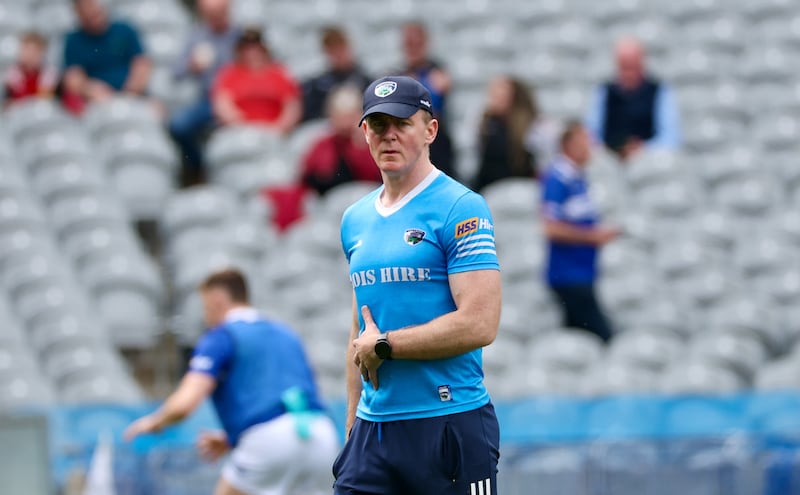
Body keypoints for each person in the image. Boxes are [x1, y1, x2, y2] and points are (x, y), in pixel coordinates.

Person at [334, 76, 501, 495]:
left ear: (430, 130)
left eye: (402, 122)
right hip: (373, 434)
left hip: (448, 424)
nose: (388, 134)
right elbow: (360, 330)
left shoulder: (461, 207)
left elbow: (480, 324)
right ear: (365, 133)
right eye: (377, 124)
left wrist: (388, 346)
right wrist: (353, 425)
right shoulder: (354, 219)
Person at [125, 269, 339, 495]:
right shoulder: (286, 334)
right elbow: (284, 400)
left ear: (217, 300)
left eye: (205, 308)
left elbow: (184, 404)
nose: (206, 316)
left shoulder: (222, 336)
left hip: (270, 441)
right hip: (320, 437)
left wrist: (155, 422)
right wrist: (232, 438)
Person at [541, 121, 621, 343]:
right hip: (570, 275)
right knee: (602, 336)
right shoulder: (558, 178)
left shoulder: (578, 177)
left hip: (582, 273)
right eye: (585, 141)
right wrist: (593, 237)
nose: (590, 147)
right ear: (569, 145)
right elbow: (550, 227)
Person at [169, 0, 241, 185]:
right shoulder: (197, 36)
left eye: (219, 13)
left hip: (241, 100)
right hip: (210, 101)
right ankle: (198, 167)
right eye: (210, 14)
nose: (215, 18)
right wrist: (191, 66)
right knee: (179, 126)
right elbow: (176, 72)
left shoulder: (242, 36)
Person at [585, 36, 681, 161]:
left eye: (633, 66)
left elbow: (671, 139)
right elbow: (592, 135)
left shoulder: (659, 91)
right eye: (624, 67)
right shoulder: (603, 92)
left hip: (649, 163)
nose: (629, 73)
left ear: (642, 63)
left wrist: (643, 149)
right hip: (610, 162)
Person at [62, 0, 152, 113]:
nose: (91, 10)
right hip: (95, 103)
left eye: (92, 5)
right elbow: (73, 79)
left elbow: (142, 65)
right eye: (85, 7)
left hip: (133, 96)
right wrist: (89, 89)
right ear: (78, 12)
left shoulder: (124, 30)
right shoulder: (73, 41)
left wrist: (130, 92)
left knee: (155, 109)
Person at [397, 21, 457, 179]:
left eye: (418, 44)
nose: (413, 49)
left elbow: (435, 104)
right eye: (409, 44)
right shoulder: (399, 74)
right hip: (410, 139)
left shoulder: (438, 71)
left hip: (436, 140)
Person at [211, 28, 301, 132]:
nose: (252, 52)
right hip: (240, 131)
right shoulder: (230, 73)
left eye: (256, 48)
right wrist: (242, 126)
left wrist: (277, 128)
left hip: (275, 131)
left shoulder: (281, 73)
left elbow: (292, 106)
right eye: (247, 48)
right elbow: (223, 105)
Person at [300, 85, 381, 195]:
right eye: (340, 117)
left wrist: (358, 146)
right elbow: (313, 177)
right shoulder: (323, 145)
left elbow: (375, 176)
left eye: (350, 116)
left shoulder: (371, 143)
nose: (345, 123)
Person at [473, 75, 538, 192]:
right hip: (489, 187)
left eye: (501, 94)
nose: (495, 98)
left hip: (520, 188)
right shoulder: (486, 123)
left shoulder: (530, 126)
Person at [301, 26, 371, 122]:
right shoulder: (317, 87)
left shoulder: (366, 82)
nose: (338, 55)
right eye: (332, 50)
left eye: (340, 48)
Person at [3, 32, 58, 107]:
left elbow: (47, 100)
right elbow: (7, 103)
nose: (30, 55)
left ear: (42, 53)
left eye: (35, 51)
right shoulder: (12, 76)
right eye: (27, 50)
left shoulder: (49, 75)